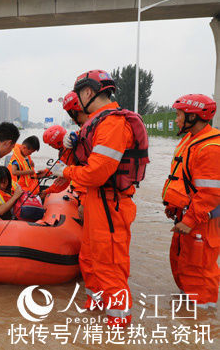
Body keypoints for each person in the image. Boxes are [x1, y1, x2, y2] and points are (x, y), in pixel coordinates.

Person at [53, 70, 149, 327]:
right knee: (90, 258)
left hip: (110, 203)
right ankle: (95, 309)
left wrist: (64, 171)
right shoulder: (96, 123)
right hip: (97, 201)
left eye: (77, 95)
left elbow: (96, 173)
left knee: (110, 265)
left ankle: (117, 327)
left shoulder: (112, 123)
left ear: (87, 93)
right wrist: (70, 149)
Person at [162, 94, 220, 309]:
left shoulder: (211, 147)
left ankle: (202, 322)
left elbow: (210, 194)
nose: (176, 119)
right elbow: (182, 179)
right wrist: (174, 206)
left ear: (194, 116)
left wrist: (189, 220)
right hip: (186, 215)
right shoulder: (190, 140)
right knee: (181, 264)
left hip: (201, 221)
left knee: (199, 271)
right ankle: (186, 316)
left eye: (179, 115)